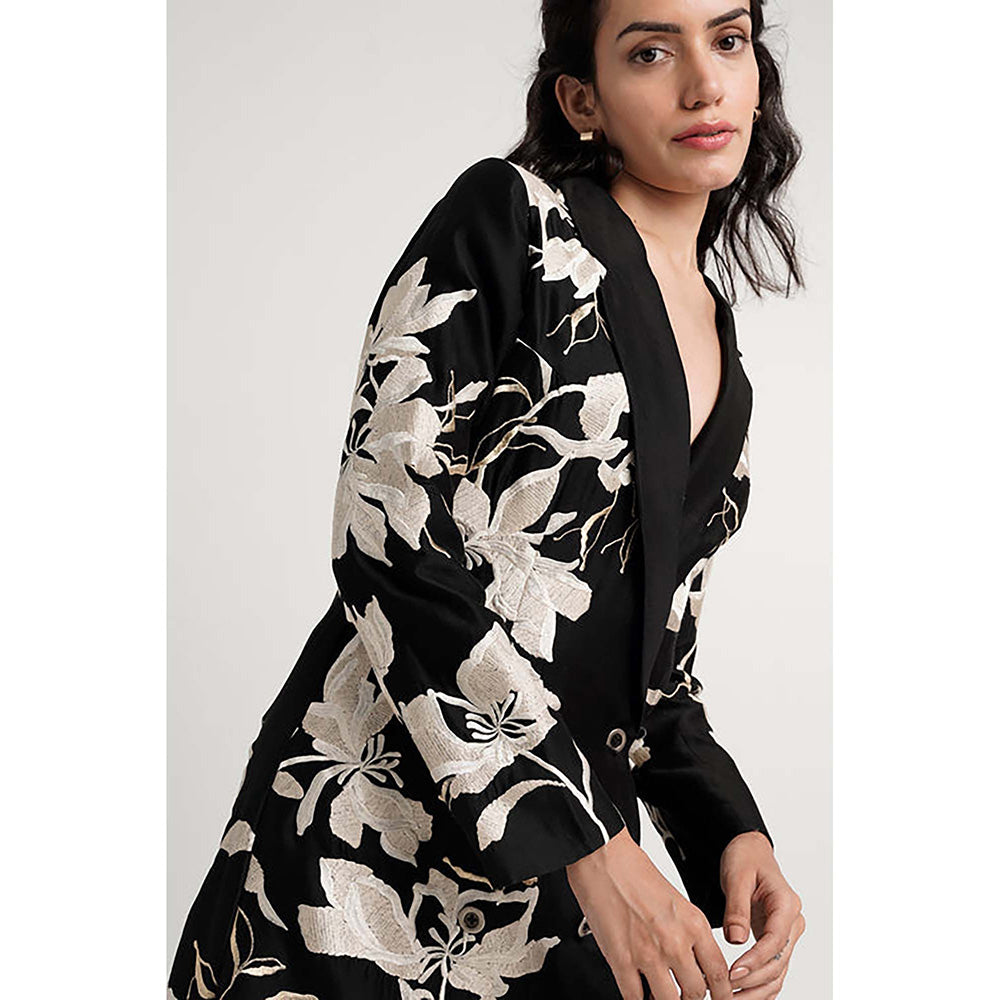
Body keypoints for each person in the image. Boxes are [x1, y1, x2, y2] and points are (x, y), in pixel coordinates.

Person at [168, 2, 807, 998]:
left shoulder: (724, 352)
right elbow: (383, 521)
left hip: (566, 899)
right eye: (650, 50)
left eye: (727, 40)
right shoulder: (510, 221)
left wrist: (731, 830)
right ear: (582, 99)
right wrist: (581, 838)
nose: (703, 82)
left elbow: (654, 673)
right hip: (369, 846)